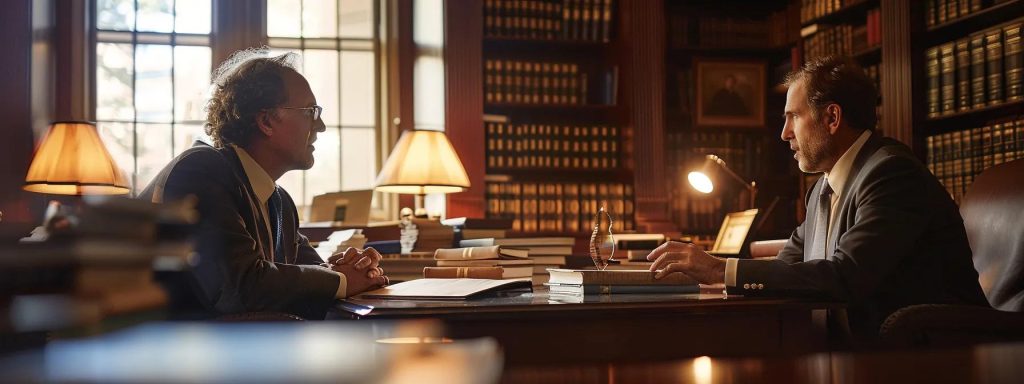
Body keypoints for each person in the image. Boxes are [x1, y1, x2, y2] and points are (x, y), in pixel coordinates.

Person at [648, 56, 988, 337]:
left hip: (935, 352)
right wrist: (702, 273)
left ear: (832, 118)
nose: (784, 134)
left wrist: (720, 269)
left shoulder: (892, 175)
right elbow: (786, 267)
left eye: (793, 117)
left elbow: (845, 277)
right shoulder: (821, 190)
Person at [139, 49, 388, 320]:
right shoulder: (200, 171)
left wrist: (355, 271)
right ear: (266, 121)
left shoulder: (279, 201)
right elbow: (236, 288)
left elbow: (312, 279)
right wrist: (341, 280)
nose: (321, 126)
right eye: (310, 112)